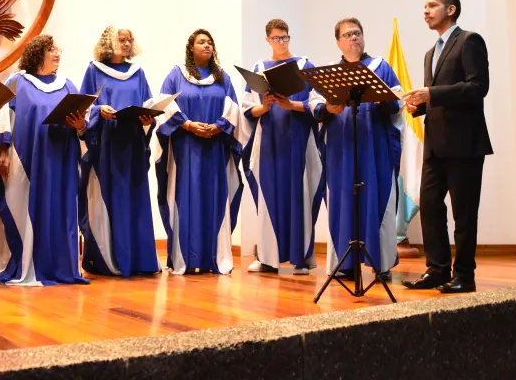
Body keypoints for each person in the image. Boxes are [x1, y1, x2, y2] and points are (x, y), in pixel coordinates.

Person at [402, 0, 492, 294]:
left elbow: (477, 87)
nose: (425, 11)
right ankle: (437, 270)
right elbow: (439, 98)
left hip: (465, 143)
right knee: (429, 206)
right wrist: (420, 106)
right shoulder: (430, 53)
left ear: (450, 9)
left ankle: (465, 275)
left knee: (463, 213)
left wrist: (432, 94)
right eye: (424, 6)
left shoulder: (469, 41)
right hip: (436, 143)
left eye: (432, 5)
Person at [0, 35, 88, 286]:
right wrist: (2, 153)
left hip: (61, 160)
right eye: (51, 49)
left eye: (58, 48)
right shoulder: (17, 82)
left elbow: (83, 125)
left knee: (59, 210)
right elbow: (3, 118)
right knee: (22, 208)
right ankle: (22, 263)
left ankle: (60, 266)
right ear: (37, 53)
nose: (57, 53)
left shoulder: (67, 85)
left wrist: (80, 125)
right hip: (27, 160)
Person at [309, 18, 402, 281]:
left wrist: (383, 99)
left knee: (375, 197)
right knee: (343, 201)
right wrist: (327, 108)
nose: (354, 38)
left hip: (373, 147)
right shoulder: (330, 73)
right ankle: (346, 263)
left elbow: (398, 102)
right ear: (338, 42)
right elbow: (315, 105)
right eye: (348, 34)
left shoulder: (380, 67)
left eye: (358, 33)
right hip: (342, 148)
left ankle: (380, 263)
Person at [154, 29, 247, 275]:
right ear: (191, 47)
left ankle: (213, 258)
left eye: (210, 42)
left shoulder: (222, 77)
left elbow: (233, 108)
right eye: (201, 42)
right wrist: (187, 124)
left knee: (213, 198)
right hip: (185, 149)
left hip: (215, 148)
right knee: (187, 199)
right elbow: (164, 105)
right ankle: (186, 257)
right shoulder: (177, 75)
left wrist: (219, 127)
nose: (207, 46)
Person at [242, 19, 323, 275]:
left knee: (300, 196)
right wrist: (264, 106)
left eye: (285, 37)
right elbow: (247, 109)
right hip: (270, 142)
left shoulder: (304, 65)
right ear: (268, 40)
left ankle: (302, 258)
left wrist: (292, 105)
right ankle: (267, 258)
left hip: (299, 140)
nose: (281, 42)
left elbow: (318, 103)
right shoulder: (259, 68)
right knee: (269, 197)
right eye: (276, 38)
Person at [78, 26, 159, 277]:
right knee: (109, 197)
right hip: (106, 144)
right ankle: (108, 260)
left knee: (134, 197)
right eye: (121, 40)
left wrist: (148, 119)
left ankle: (139, 260)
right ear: (109, 42)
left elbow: (148, 103)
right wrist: (99, 110)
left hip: (132, 143)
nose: (126, 44)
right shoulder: (94, 70)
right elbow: (84, 106)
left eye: (129, 40)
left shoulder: (138, 72)